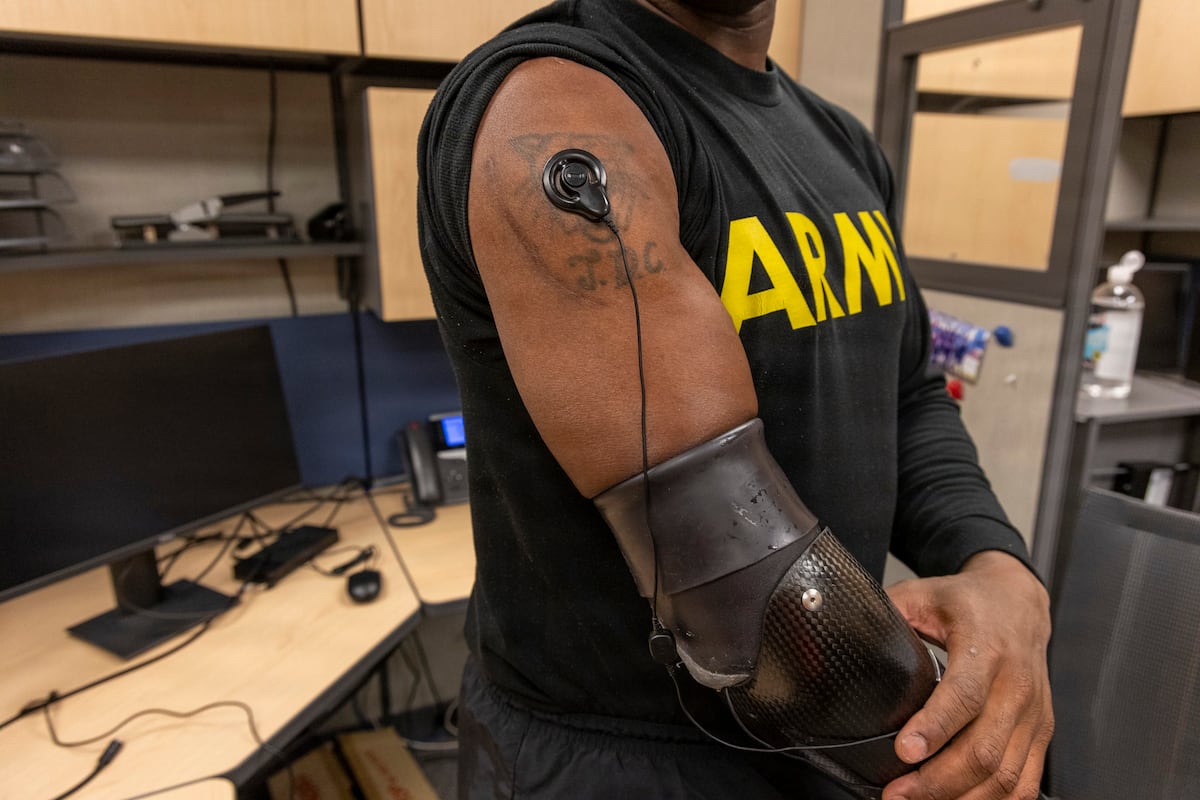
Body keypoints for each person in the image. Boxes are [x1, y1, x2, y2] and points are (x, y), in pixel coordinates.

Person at [416, 1, 1054, 798]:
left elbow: (908, 397)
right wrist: (955, 753)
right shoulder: (553, 111)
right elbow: (737, 574)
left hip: (827, 725)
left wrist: (999, 571)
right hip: (628, 765)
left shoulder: (841, 144)